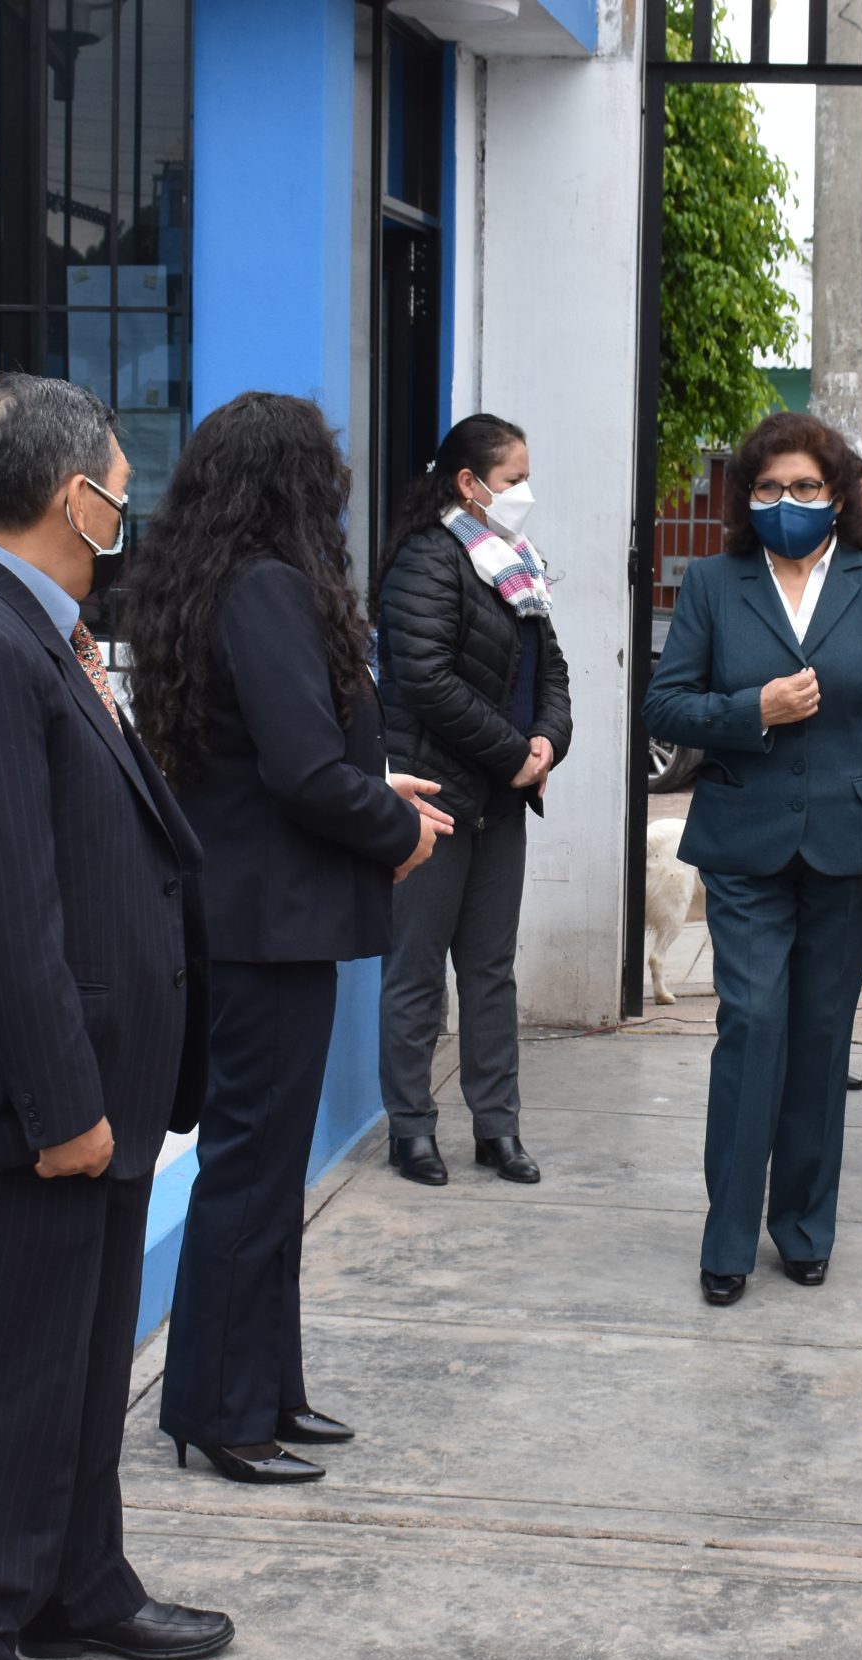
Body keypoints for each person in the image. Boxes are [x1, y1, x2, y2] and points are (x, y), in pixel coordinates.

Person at [0, 373, 230, 1660]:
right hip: (37, 1104)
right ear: (73, 493)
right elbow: (0, 905)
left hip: (98, 1087)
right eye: (120, 484)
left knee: (81, 1365)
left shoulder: (34, 629)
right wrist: (63, 1101)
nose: (127, 502)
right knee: (0, 1375)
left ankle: (80, 1581)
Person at [123, 391, 446, 1487]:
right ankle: (217, 1411)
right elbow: (300, 773)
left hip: (255, 920)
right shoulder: (265, 589)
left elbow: (268, 758)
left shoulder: (217, 580)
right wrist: (395, 826)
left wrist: (371, 783)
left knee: (264, 1174)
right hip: (262, 931)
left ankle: (266, 1390)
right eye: (323, 472)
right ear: (292, 482)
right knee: (249, 1178)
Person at [645, 411, 862, 1305]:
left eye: (806, 487)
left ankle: (805, 1226)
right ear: (748, 497)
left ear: (839, 493)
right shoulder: (715, 583)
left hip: (852, 845)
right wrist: (751, 709)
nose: (787, 502)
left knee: (820, 1036)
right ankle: (727, 1236)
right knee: (753, 1023)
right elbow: (666, 704)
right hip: (746, 844)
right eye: (769, 488)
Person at [375, 414, 573, 1186]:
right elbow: (424, 680)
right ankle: (411, 1130)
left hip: (500, 801)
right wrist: (514, 754)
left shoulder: (515, 562)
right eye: (514, 477)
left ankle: (498, 1128)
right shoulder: (430, 559)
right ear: (469, 482)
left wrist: (547, 744)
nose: (524, 492)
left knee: (491, 970)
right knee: (417, 971)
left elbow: (552, 671)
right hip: (436, 798)